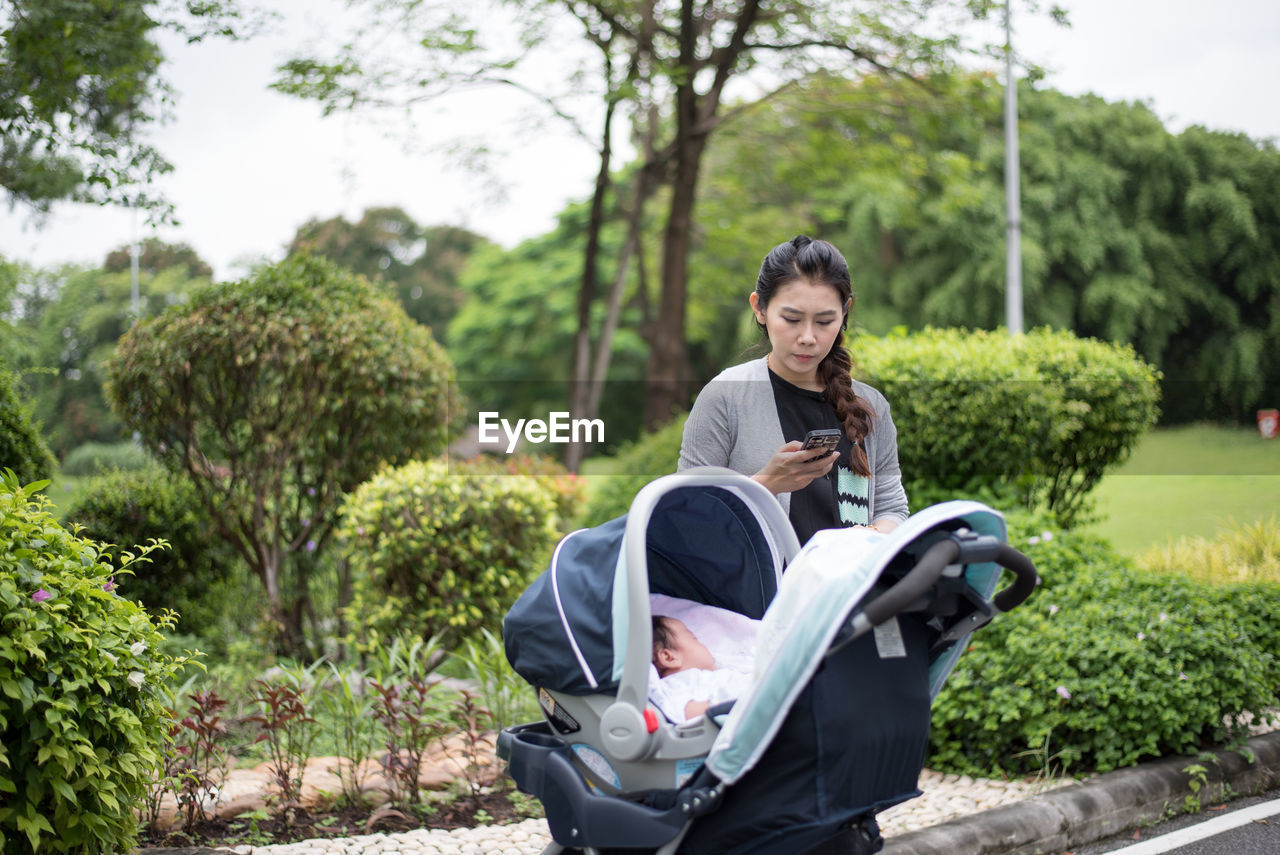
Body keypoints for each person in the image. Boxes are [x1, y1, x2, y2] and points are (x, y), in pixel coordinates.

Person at [678, 234, 908, 544]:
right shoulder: (725, 397)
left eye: (825, 321)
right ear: (759, 308)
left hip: (848, 589)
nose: (808, 337)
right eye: (792, 318)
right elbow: (683, 518)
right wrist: (767, 483)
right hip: (759, 590)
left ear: (845, 312)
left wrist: (869, 537)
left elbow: (891, 508)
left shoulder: (870, 404)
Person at [651, 615, 753, 722]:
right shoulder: (675, 684)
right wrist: (725, 705)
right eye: (694, 639)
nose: (703, 644)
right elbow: (684, 712)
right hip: (743, 706)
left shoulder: (712, 673)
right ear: (670, 658)